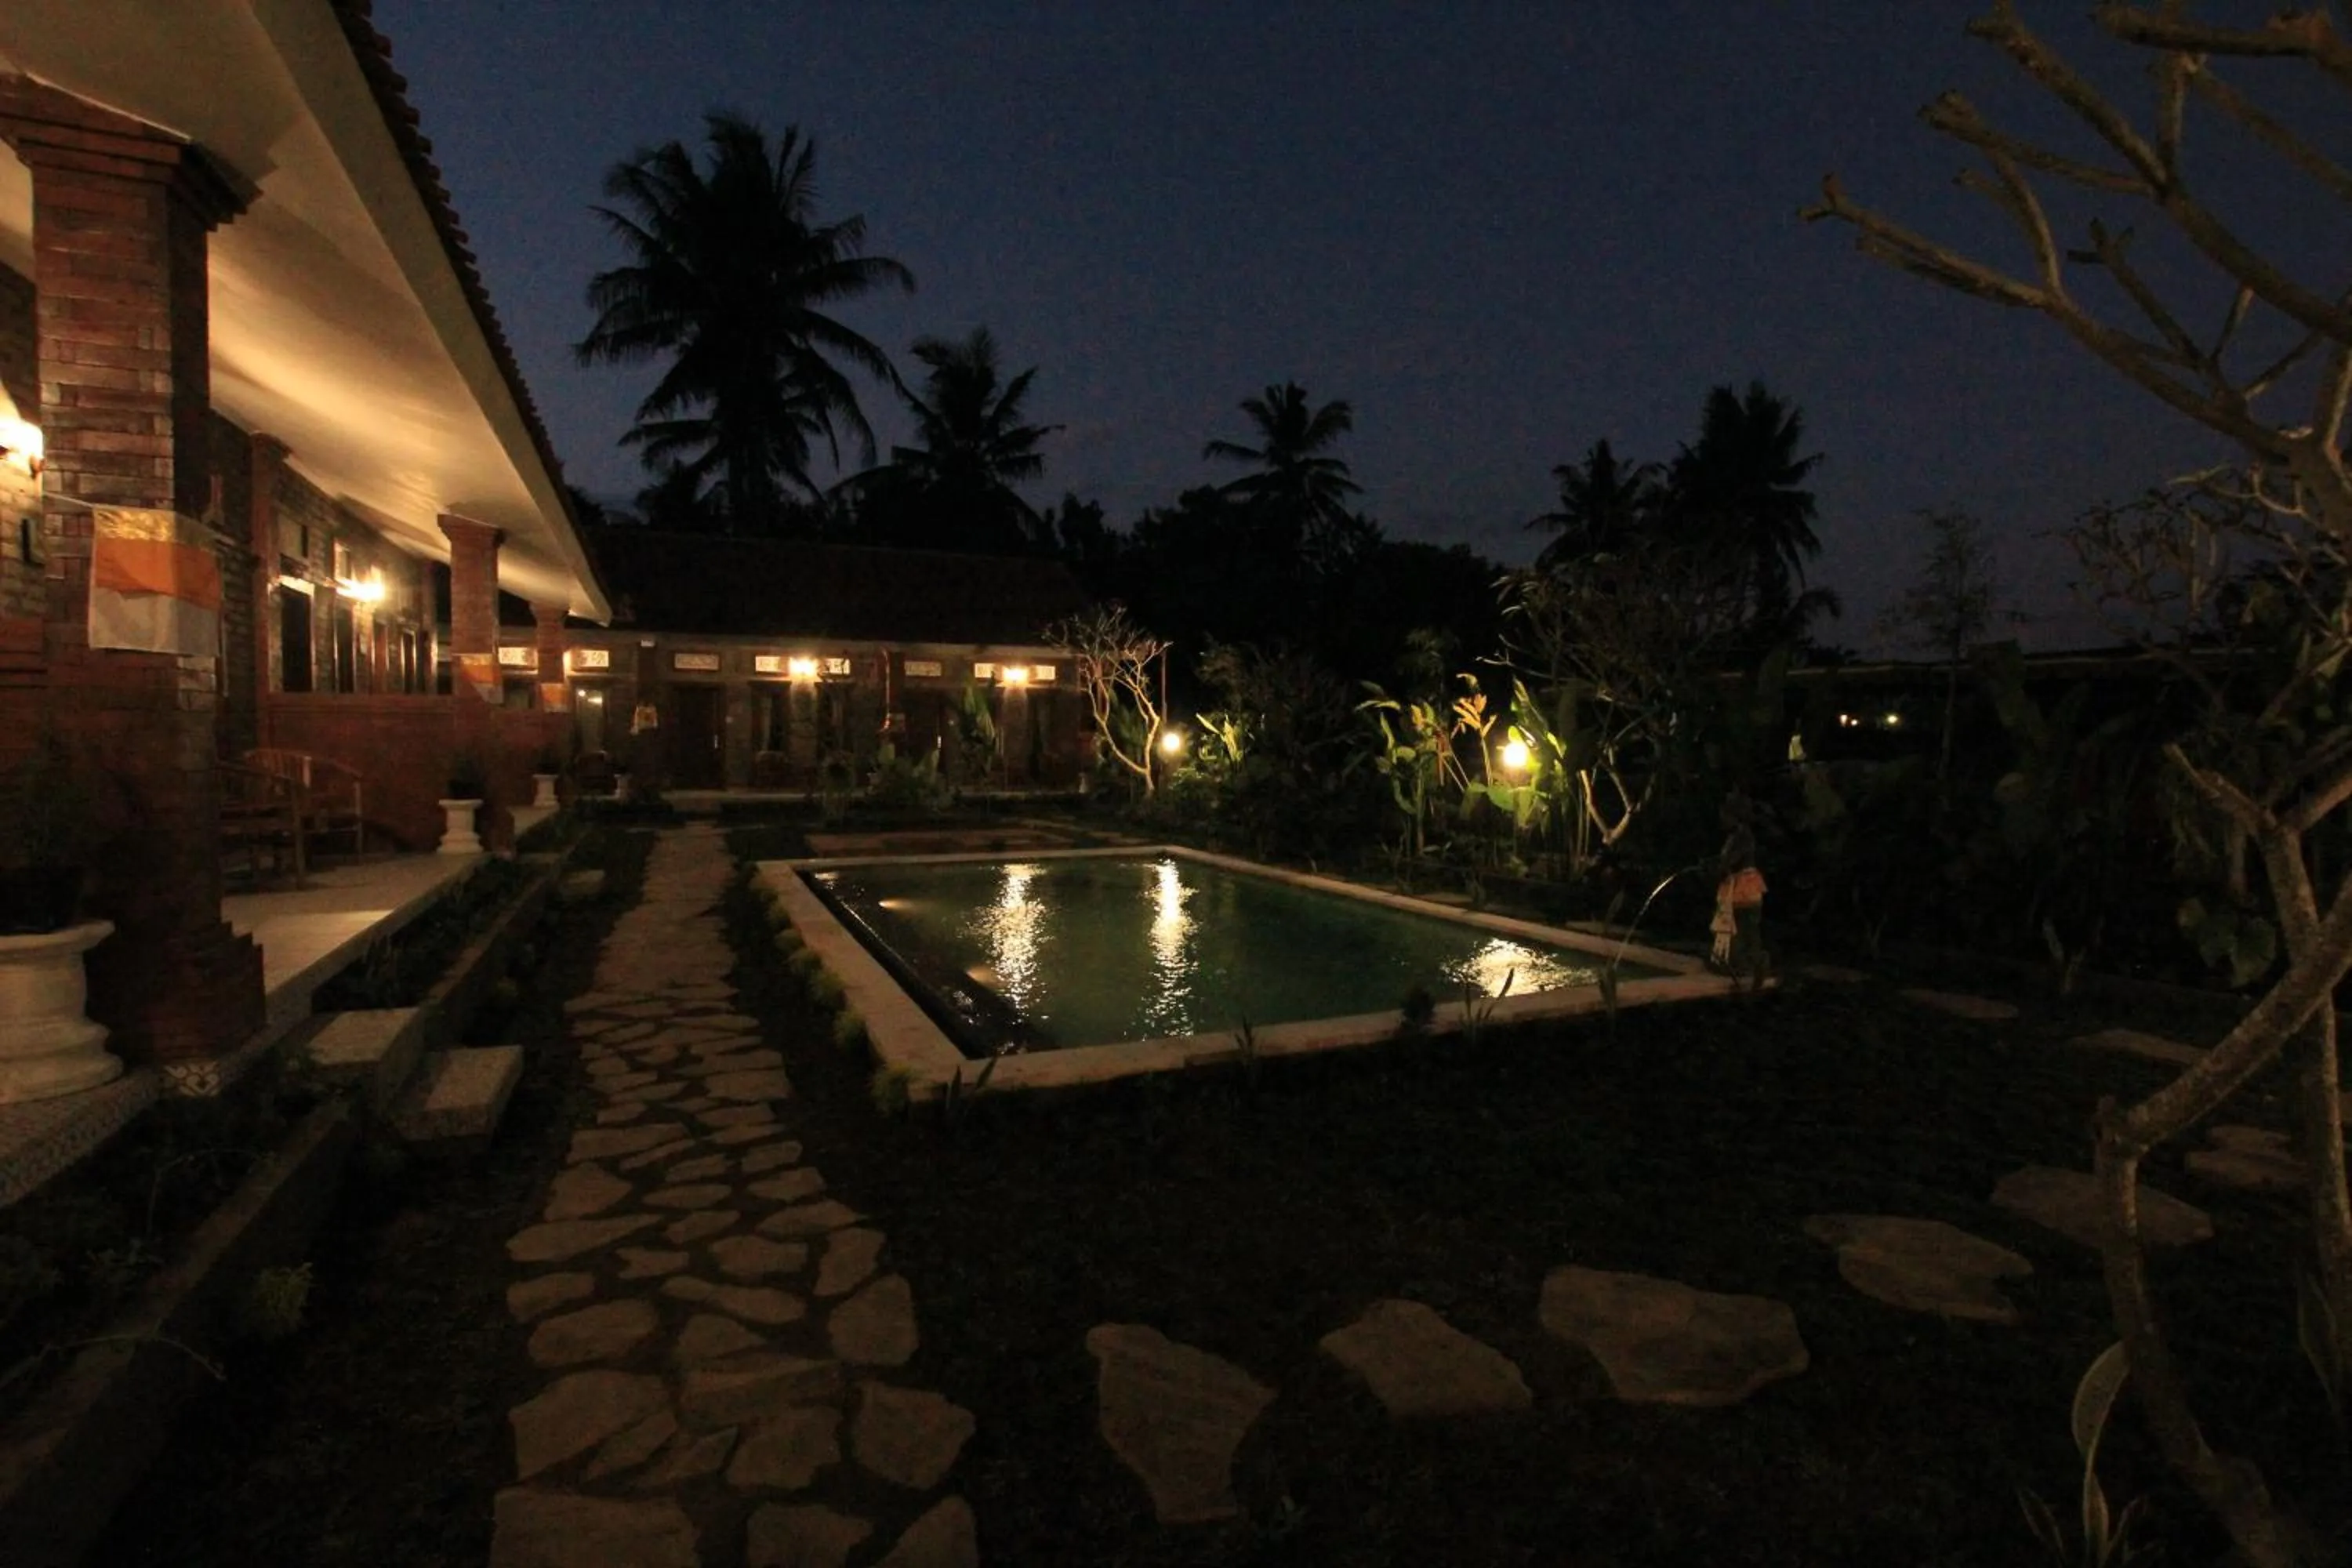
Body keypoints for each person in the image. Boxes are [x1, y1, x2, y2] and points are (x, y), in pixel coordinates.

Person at [1709, 789, 1768, 980]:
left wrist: (1716, 868)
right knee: (1745, 928)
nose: (1721, 819)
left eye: (1724, 815)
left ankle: (1744, 965)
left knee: (1740, 927)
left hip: (1742, 888)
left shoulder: (1740, 837)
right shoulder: (1741, 835)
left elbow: (1729, 861)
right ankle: (1748, 964)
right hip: (1747, 886)